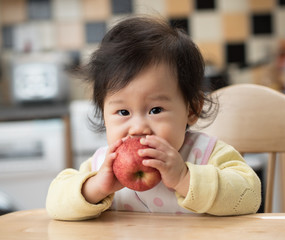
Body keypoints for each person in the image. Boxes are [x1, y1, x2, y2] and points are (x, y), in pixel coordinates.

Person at [46, 15, 261, 221]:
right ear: (104, 114)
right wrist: (94, 188)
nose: (138, 128)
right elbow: (54, 203)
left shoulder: (206, 154)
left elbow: (250, 196)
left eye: (156, 110)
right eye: (123, 112)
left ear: (192, 109)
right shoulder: (103, 166)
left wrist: (185, 178)